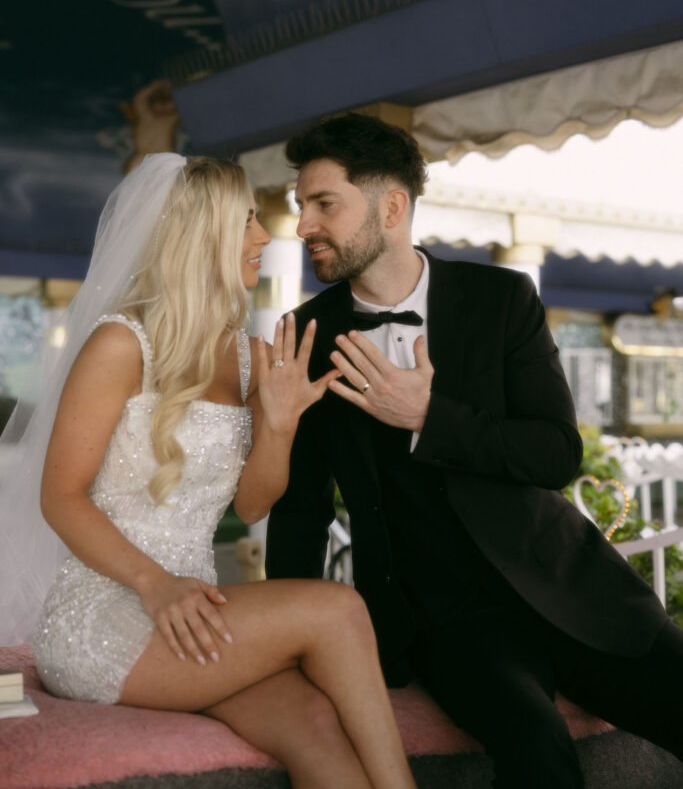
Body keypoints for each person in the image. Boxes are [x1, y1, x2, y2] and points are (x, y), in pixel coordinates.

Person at [265, 113, 683, 787]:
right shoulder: (306, 333)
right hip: (442, 621)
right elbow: (298, 507)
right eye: (301, 206)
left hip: (564, 584)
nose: (307, 222)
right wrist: (283, 639)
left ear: (391, 207)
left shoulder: (501, 298)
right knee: (537, 753)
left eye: (324, 204)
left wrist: (431, 418)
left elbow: (554, 453)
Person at [0, 153, 417, 789]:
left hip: (196, 609)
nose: (264, 236)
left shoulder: (249, 358)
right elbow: (61, 497)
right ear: (203, 235)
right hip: (106, 617)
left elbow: (252, 506)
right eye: (246, 219)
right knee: (337, 609)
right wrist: (156, 585)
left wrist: (278, 426)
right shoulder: (120, 344)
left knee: (314, 725)